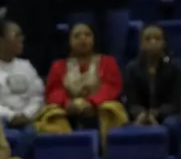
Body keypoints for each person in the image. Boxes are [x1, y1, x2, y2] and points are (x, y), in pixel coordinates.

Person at [40, 23, 127, 151]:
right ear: (69, 41)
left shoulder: (108, 62)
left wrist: (93, 102)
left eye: (87, 35)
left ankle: (107, 151)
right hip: (68, 111)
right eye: (77, 36)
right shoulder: (58, 66)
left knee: (112, 109)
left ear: (94, 39)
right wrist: (67, 103)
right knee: (52, 114)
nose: (83, 39)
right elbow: (53, 91)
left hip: (98, 110)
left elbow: (112, 86)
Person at [0, 17, 46, 136]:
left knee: (30, 132)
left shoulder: (26, 66)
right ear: (0, 40)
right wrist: (11, 116)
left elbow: (37, 97)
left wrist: (26, 115)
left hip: (27, 121)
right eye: (16, 35)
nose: (22, 39)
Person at [124, 23, 181, 140]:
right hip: (140, 115)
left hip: (169, 115)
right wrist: (141, 114)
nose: (153, 42)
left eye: (157, 38)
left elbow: (177, 102)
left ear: (164, 43)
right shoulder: (131, 69)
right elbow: (131, 101)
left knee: (171, 124)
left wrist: (155, 114)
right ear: (141, 44)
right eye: (148, 39)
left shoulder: (177, 67)